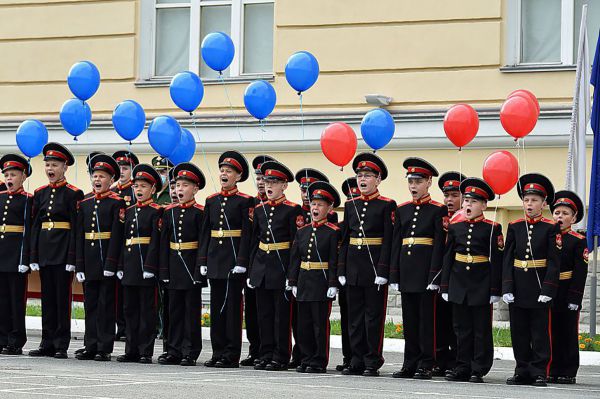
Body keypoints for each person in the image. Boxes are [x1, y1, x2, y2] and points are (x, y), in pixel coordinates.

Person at [337, 153, 396, 377]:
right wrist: (342, 269)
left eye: (367, 176)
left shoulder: (386, 205)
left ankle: (372, 359)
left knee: (373, 317)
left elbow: (389, 241)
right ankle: (356, 358)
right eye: (359, 175)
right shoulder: (350, 204)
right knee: (354, 317)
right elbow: (345, 240)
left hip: (374, 270)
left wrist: (384, 271)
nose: (362, 180)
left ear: (378, 179)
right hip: (353, 267)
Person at [440, 177, 503, 383]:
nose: (468, 205)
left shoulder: (492, 228)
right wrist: (446, 285)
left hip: (480, 284)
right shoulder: (455, 227)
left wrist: (495, 289)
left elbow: (496, 260)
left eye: (474, 202)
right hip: (459, 284)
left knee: (480, 329)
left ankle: (479, 367)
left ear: (484, 205)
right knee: (461, 328)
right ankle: (462, 366)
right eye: (466, 201)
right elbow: (448, 257)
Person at [390, 157, 447, 380]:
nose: (413, 186)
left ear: (429, 182)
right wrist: (394, 273)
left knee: (426, 321)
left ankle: (426, 362)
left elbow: (439, 245)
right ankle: (409, 362)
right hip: (407, 272)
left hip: (425, 274)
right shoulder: (402, 210)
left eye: (418, 181)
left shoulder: (438, 210)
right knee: (410, 321)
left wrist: (434, 275)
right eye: (411, 181)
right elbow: (397, 243)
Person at [502, 173, 560, 387]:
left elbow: (554, 262)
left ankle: (539, 371)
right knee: (519, 331)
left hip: (538, 287)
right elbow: (507, 259)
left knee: (539, 332)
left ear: (544, 203)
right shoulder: (515, 226)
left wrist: (548, 289)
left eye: (534, 200)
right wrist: (507, 285)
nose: (529, 204)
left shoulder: (550, 228)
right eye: (526, 200)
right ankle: (522, 369)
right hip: (518, 286)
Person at [198, 151, 254, 368]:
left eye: (229, 171)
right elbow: (205, 233)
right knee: (216, 309)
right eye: (222, 170)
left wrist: (241, 261)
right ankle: (217, 351)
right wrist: (203, 260)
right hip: (215, 260)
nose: (224, 174)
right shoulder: (211, 201)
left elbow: (247, 234)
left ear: (238, 176)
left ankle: (231, 354)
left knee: (231, 309)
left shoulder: (245, 201)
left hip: (233, 262)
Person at [29, 143, 83, 359]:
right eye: (48, 165)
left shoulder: (73, 194)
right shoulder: (40, 193)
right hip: (45, 251)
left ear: (64, 168)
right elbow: (35, 226)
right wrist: (33, 255)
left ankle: (61, 344)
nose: (50, 169)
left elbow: (75, 228)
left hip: (62, 252)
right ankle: (46, 342)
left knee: (62, 299)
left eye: (55, 165)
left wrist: (72, 257)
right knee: (47, 299)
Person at [248, 160, 303, 371]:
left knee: (281, 317)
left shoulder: (292, 210)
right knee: (264, 315)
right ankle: (265, 353)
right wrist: (252, 270)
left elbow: (295, 246)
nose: (269, 185)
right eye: (266, 181)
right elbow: (255, 242)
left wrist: (292, 276)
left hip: (281, 269)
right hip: (262, 268)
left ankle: (280, 356)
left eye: (274, 182)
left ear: (284, 185)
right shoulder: (260, 210)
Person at [75, 154, 125, 361]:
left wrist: (112, 263)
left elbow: (117, 235)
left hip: (106, 260)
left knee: (106, 305)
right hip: (89, 260)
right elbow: (79, 235)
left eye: (102, 176)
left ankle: (104, 347)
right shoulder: (85, 203)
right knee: (91, 304)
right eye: (95, 176)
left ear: (111, 180)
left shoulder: (117, 202)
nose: (97, 180)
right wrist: (79, 264)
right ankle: (90, 344)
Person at [288, 181, 341, 373]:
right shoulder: (302, 231)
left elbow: (335, 259)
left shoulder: (333, 232)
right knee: (304, 324)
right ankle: (306, 357)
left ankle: (319, 360)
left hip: (321, 281)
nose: (315, 208)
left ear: (329, 207)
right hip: (304, 281)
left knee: (320, 325)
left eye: (320, 204)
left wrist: (333, 283)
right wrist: (292, 281)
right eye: (313, 204)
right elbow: (295, 258)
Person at [159, 162, 206, 366]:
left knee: (190, 312)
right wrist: (163, 269)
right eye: (177, 186)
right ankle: (173, 349)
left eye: (184, 186)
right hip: (173, 265)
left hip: (190, 265)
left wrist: (199, 269)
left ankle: (190, 351)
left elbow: (203, 241)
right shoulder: (169, 211)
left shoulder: (200, 212)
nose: (179, 190)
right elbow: (163, 242)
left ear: (195, 189)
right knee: (173, 310)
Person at [116, 164, 164, 364]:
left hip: (145, 266)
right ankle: (131, 349)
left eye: (143, 186)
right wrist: (120, 266)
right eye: (136, 186)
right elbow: (123, 240)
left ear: (152, 189)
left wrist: (150, 267)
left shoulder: (156, 211)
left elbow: (155, 242)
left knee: (146, 310)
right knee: (130, 309)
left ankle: (145, 350)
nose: (139, 190)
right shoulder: (129, 211)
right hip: (129, 265)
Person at [549, 190, 588, 384]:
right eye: (557, 213)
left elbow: (580, 272)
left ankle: (568, 370)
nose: (560, 217)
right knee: (550, 330)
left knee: (568, 331)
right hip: (549, 290)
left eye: (565, 214)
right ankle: (552, 368)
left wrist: (575, 298)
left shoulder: (578, 241)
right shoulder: (547, 236)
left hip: (567, 289)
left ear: (573, 218)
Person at [239, 155, 275, 367]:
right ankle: (255, 349)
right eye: (258, 177)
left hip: (270, 268)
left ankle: (269, 350)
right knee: (252, 311)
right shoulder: (250, 203)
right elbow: (248, 237)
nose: (261, 182)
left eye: (264, 177)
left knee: (269, 312)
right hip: (252, 265)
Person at [0, 154, 33, 355]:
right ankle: (2, 337)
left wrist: (25, 259)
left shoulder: (28, 199)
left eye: (13, 174)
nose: (9, 179)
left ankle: (16, 339)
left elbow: (28, 231)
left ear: (23, 176)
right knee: (1, 300)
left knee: (15, 300)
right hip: (1, 255)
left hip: (16, 256)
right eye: (6, 175)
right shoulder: (1, 197)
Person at [433, 171, 465, 376]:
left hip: (460, 279)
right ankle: (441, 359)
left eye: (454, 195)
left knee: (458, 323)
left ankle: (458, 360)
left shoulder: (466, 219)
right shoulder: (440, 216)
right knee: (440, 321)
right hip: (440, 278)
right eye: (447, 196)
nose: (449, 200)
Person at [112, 150, 140, 342]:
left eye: (126, 168)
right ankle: (118, 325)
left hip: (131, 246)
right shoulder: (112, 191)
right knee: (114, 290)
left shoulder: (135, 189)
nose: (122, 171)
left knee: (127, 291)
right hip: (115, 244)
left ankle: (126, 328)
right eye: (119, 168)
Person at [335, 177, 360, 372]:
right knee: (348, 318)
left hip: (366, 273)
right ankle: (349, 356)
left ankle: (362, 357)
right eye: (351, 195)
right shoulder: (341, 226)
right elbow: (342, 246)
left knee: (364, 318)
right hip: (348, 274)